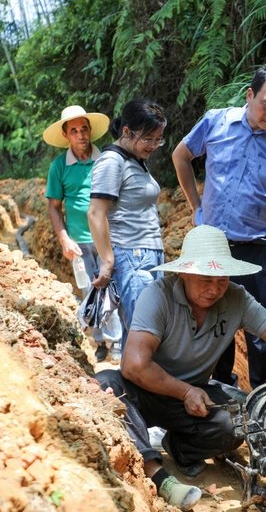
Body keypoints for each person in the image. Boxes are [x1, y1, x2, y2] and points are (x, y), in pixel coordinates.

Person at [96, 225, 266, 511]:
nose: (215, 289)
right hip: (144, 390)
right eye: (206, 280)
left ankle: (180, 448)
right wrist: (184, 391)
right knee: (105, 386)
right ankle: (158, 474)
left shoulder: (235, 297)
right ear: (184, 273)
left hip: (195, 397)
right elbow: (134, 365)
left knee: (237, 424)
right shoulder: (158, 296)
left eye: (221, 280)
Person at [171, 62, 266, 389]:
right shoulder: (216, 122)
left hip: (257, 251)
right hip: (212, 248)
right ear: (249, 95)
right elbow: (181, 156)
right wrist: (196, 207)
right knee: (209, 325)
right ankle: (213, 397)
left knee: (261, 334)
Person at [88, 99, 167, 362]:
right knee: (141, 334)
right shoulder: (112, 161)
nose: (154, 146)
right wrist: (108, 261)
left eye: (158, 140)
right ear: (126, 132)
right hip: (132, 257)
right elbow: (96, 213)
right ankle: (137, 398)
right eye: (149, 139)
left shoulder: (135, 160)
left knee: (150, 332)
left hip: (148, 256)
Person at [43, 105, 114, 361]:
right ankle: (99, 342)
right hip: (78, 241)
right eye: (74, 131)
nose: (81, 135)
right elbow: (53, 206)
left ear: (90, 131)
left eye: (84, 129)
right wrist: (64, 238)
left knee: (113, 288)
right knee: (89, 290)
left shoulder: (106, 158)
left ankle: (117, 344)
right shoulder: (59, 166)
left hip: (108, 237)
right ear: (66, 136)